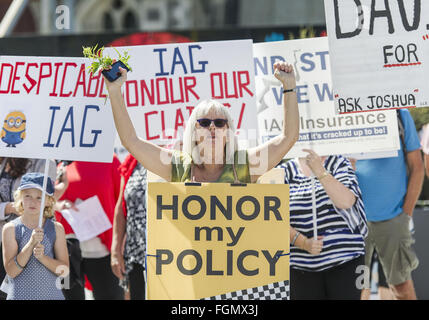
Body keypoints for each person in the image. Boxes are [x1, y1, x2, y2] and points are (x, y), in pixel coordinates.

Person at [105, 61, 299, 184]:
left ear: (229, 132)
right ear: (194, 132)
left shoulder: (243, 165)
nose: (212, 127)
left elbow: (288, 138)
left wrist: (289, 88)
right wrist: (114, 91)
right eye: (204, 122)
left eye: (220, 123)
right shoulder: (179, 167)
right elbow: (130, 141)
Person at [277, 149, 367, 300]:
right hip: (300, 268)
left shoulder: (339, 162)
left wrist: (320, 170)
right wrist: (303, 242)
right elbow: (274, 219)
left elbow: (346, 202)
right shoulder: (282, 172)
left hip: (347, 262)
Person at [354, 109, 424, 300]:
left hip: (393, 219)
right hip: (353, 222)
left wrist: (405, 214)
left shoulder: (400, 115)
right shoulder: (344, 113)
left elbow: (417, 167)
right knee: (358, 288)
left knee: (401, 287)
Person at [54, 158, 124, 300]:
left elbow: (122, 203)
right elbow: (47, 202)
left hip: (102, 250)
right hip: (68, 251)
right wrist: (59, 205)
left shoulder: (110, 160)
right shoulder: (62, 165)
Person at [0, 157, 66, 300]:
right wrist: (30, 245)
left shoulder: (57, 229)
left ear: (49, 201)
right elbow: (11, 271)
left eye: (39, 197)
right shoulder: (10, 229)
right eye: (28, 195)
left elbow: (64, 271)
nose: (32, 201)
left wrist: (42, 258)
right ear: (20, 198)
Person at [111, 154, 147, 300]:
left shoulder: (179, 156)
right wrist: (115, 250)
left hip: (169, 256)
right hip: (136, 254)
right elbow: (121, 207)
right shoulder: (134, 160)